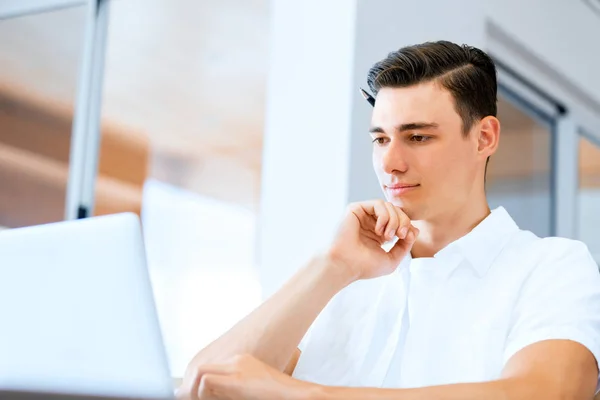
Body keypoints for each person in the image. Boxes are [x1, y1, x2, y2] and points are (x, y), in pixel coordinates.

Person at [177, 41, 600, 400]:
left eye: (418, 137)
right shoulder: (345, 280)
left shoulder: (552, 266)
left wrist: (304, 394)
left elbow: (545, 392)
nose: (390, 163)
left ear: (484, 137)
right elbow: (203, 385)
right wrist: (331, 266)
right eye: (380, 139)